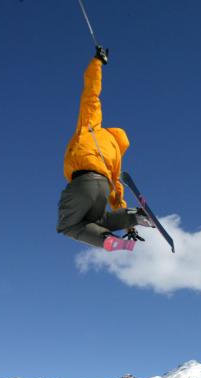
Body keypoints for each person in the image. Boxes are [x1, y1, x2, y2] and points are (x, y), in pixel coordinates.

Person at [57, 46, 146, 251]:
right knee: (94, 221)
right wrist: (129, 223)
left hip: (83, 181)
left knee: (68, 225)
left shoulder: (92, 128)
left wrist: (97, 62)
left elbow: (91, 95)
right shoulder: (114, 156)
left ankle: (106, 240)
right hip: (104, 186)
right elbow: (117, 193)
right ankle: (135, 216)